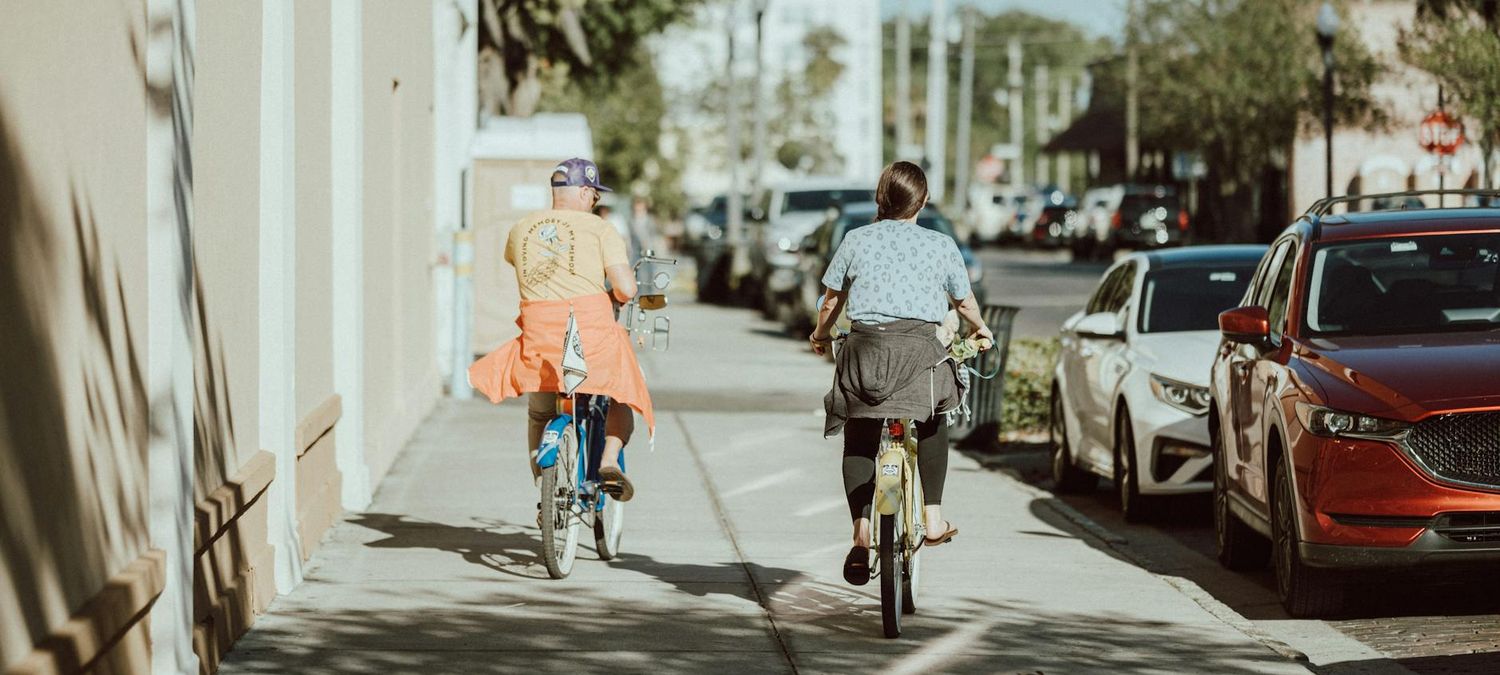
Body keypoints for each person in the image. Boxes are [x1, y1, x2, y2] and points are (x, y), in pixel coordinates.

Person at [809, 161, 993, 586]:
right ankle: (934, 519)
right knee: (934, 416)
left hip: (865, 354)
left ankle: (861, 537)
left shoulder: (856, 239)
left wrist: (820, 335)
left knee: (860, 434)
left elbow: (831, 302)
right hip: (919, 356)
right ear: (922, 202)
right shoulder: (940, 244)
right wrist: (981, 329)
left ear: (881, 199)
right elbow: (964, 303)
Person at [469, 158, 654, 502]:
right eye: (595, 195)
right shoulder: (601, 229)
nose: (595, 202)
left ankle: (545, 488)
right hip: (591, 338)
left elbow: (517, 262)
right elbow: (626, 288)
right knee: (623, 390)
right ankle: (609, 460)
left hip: (541, 340)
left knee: (540, 412)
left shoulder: (522, 228)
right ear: (584, 192)